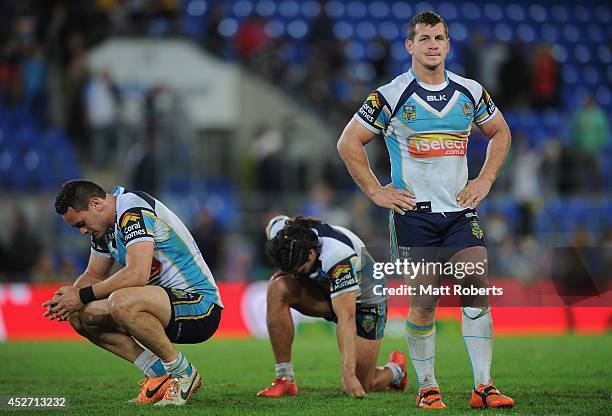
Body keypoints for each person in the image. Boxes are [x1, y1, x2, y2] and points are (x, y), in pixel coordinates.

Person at [337, 11, 514, 409]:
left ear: (448, 45)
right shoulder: (390, 96)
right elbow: (348, 143)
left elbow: (501, 131)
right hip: (413, 216)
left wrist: (484, 180)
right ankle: (427, 386)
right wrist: (375, 191)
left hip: (459, 214)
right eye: (424, 38)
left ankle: (483, 386)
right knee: (423, 303)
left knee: (475, 291)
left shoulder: (470, 91)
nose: (433, 44)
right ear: (409, 46)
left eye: (439, 37)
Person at [43, 180, 223, 406]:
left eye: (81, 223)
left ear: (96, 203)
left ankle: (183, 373)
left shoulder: (132, 210)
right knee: (80, 315)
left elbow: (137, 274)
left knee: (120, 301)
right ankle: (159, 375)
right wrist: (69, 298)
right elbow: (93, 275)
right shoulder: (104, 229)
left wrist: (81, 296)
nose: (82, 231)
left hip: (200, 306)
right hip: (162, 305)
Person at [257, 215, 406, 398]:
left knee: (365, 383)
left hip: (365, 302)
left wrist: (349, 375)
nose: (295, 277)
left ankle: (396, 371)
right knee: (277, 288)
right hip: (325, 292)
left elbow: (347, 317)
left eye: (300, 270)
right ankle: (284, 379)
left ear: (311, 253)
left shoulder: (337, 256)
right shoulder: (284, 237)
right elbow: (273, 222)